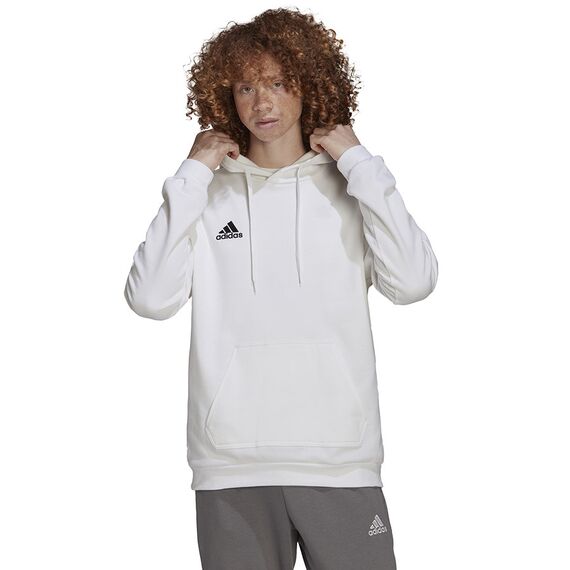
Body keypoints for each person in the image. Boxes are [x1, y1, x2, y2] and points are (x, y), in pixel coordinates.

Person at [123, 7, 438, 569]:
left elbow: (413, 282)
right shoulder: (205, 194)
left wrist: (361, 164)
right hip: (231, 466)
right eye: (246, 87)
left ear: (308, 85)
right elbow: (149, 298)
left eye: (277, 83)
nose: (261, 103)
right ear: (227, 96)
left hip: (340, 460)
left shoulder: (351, 188)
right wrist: (192, 172)